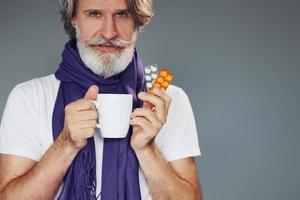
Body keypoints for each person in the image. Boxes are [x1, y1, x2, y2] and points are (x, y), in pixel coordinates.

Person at [0, 0, 202, 199]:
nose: (108, 33)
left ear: (138, 19)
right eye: (95, 14)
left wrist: (147, 150)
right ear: (73, 19)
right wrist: (66, 145)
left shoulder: (166, 101)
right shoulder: (28, 97)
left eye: (122, 14)